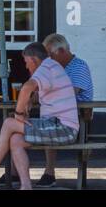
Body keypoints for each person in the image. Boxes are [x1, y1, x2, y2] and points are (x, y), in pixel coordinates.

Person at [0, 41, 79, 190]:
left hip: (63, 128)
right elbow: (39, 91)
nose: (26, 66)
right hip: (55, 125)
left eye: (27, 62)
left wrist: (19, 113)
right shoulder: (51, 67)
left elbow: (26, 87)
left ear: (34, 60)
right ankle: (26, 185)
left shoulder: (45, 68)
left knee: (9, 123)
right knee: (16, 139)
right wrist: (29, 100)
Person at [36, 33, 93, 187]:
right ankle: (17, 173)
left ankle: (49, 172)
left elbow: (68, 93)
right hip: (58, 114)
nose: (48, 59)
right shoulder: (55, 67)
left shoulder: (78, 66)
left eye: (50, 55)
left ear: (61, 51)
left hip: (77, 119)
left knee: (45, 119)